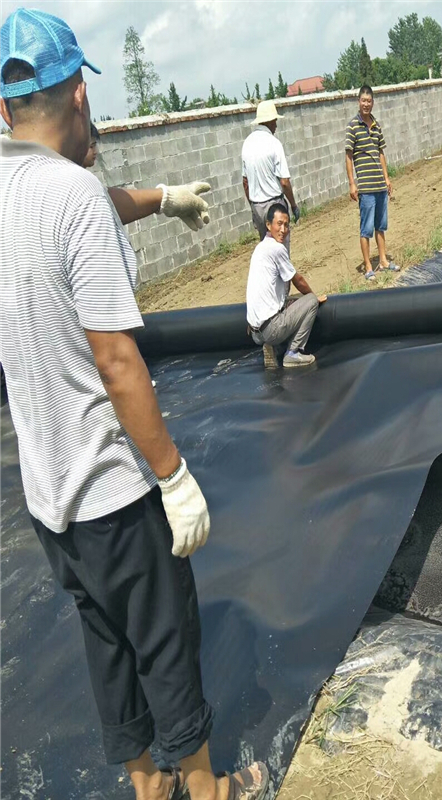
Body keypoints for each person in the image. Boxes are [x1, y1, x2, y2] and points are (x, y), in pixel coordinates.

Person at [0, 9, 270, 800]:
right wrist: (173, 475)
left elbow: (71, 206)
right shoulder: (71, 195)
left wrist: (161, 198)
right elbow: (118, 362)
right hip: (114, 496)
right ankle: (211, 790)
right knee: (166, 644)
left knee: (107, 650)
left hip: (52, 505)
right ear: (80, 93)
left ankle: (149, 790)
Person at [80, 120, 212, 232]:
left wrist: (167, 196)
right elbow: (105, 205)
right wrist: (167, 197)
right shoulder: (79, 189)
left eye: (95, 145)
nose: (96, 151)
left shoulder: (85, 182)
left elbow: (110, 203)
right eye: (91, 146)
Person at [246, 203, 326, 368]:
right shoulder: (277, 249)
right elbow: (298, 280)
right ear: (268, 225)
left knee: (294, 300)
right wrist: (315, 298)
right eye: (279, 224)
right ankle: (293, 353)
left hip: (255, 332)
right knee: (309, 301)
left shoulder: (260, 248)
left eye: (286, 225)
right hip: (270, 329)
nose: (283, 230)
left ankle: (272, 347)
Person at [345, 85, 399, 281]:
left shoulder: (376, 124)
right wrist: (352, 183)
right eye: (363, 101)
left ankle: (383, 260)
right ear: (359, 102)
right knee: (366, 228)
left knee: (380, 225)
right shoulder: (353, 126)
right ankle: (368, 266)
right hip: (366, 188)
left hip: (379, 186)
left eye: (369, 101)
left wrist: (387, 178)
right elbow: (349, 157)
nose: (366, 104)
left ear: (373, 103)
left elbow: (381, 152)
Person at [241, 99, 300, 250]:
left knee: (267, 251)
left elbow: (245, 183)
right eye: (274, 121)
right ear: (270, 121)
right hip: (275, 205)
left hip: (257, 207)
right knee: (281, 249)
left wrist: (254, 207)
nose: (276, 125)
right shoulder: (274, 143)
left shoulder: (247, 144)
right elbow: (285, 182)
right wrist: (293, 205)